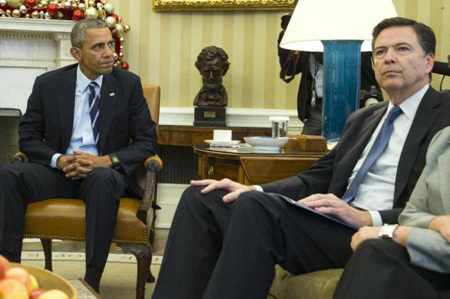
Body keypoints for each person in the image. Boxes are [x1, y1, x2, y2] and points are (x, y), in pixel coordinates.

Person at [152, 17, 450, 299]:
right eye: (380, 52)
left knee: (256, 210)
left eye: (402, 49)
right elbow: (316, 177)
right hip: (329, 222)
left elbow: (433, 204)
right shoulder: (364, 118)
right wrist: (253, 189)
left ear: (427, 62)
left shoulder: (444, 116)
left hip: (376, 228)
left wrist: (366, 217)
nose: (389, 58)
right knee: (203, 196)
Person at [0, 18, 157, 292]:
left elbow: (147, 142)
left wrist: (104, 161)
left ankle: (90, 282)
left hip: (103, 173)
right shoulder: (48, 84)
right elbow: (28, 136)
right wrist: (58, 160)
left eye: (111, 44)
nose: (109, 53)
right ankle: (11, 274)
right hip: (59, 171)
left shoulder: (128, 85)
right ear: (76, 53)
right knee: (9, 175)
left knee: (103, 179)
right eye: (98, 47)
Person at [334, 127, 450, 299]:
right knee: (376, 251)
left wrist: (395, 232)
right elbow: (411, 213)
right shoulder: (444, 139)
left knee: (376, 252)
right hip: (432, 259)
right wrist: (436, 222)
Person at [278, 14, 383, 135]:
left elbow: (335, 61)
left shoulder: (353, 27)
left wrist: (310, 30)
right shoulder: (307, 32)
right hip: (318, 107)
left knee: (350, 151)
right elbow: (290, 69)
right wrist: (288, 33)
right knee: (308, 151)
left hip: (353, 105)